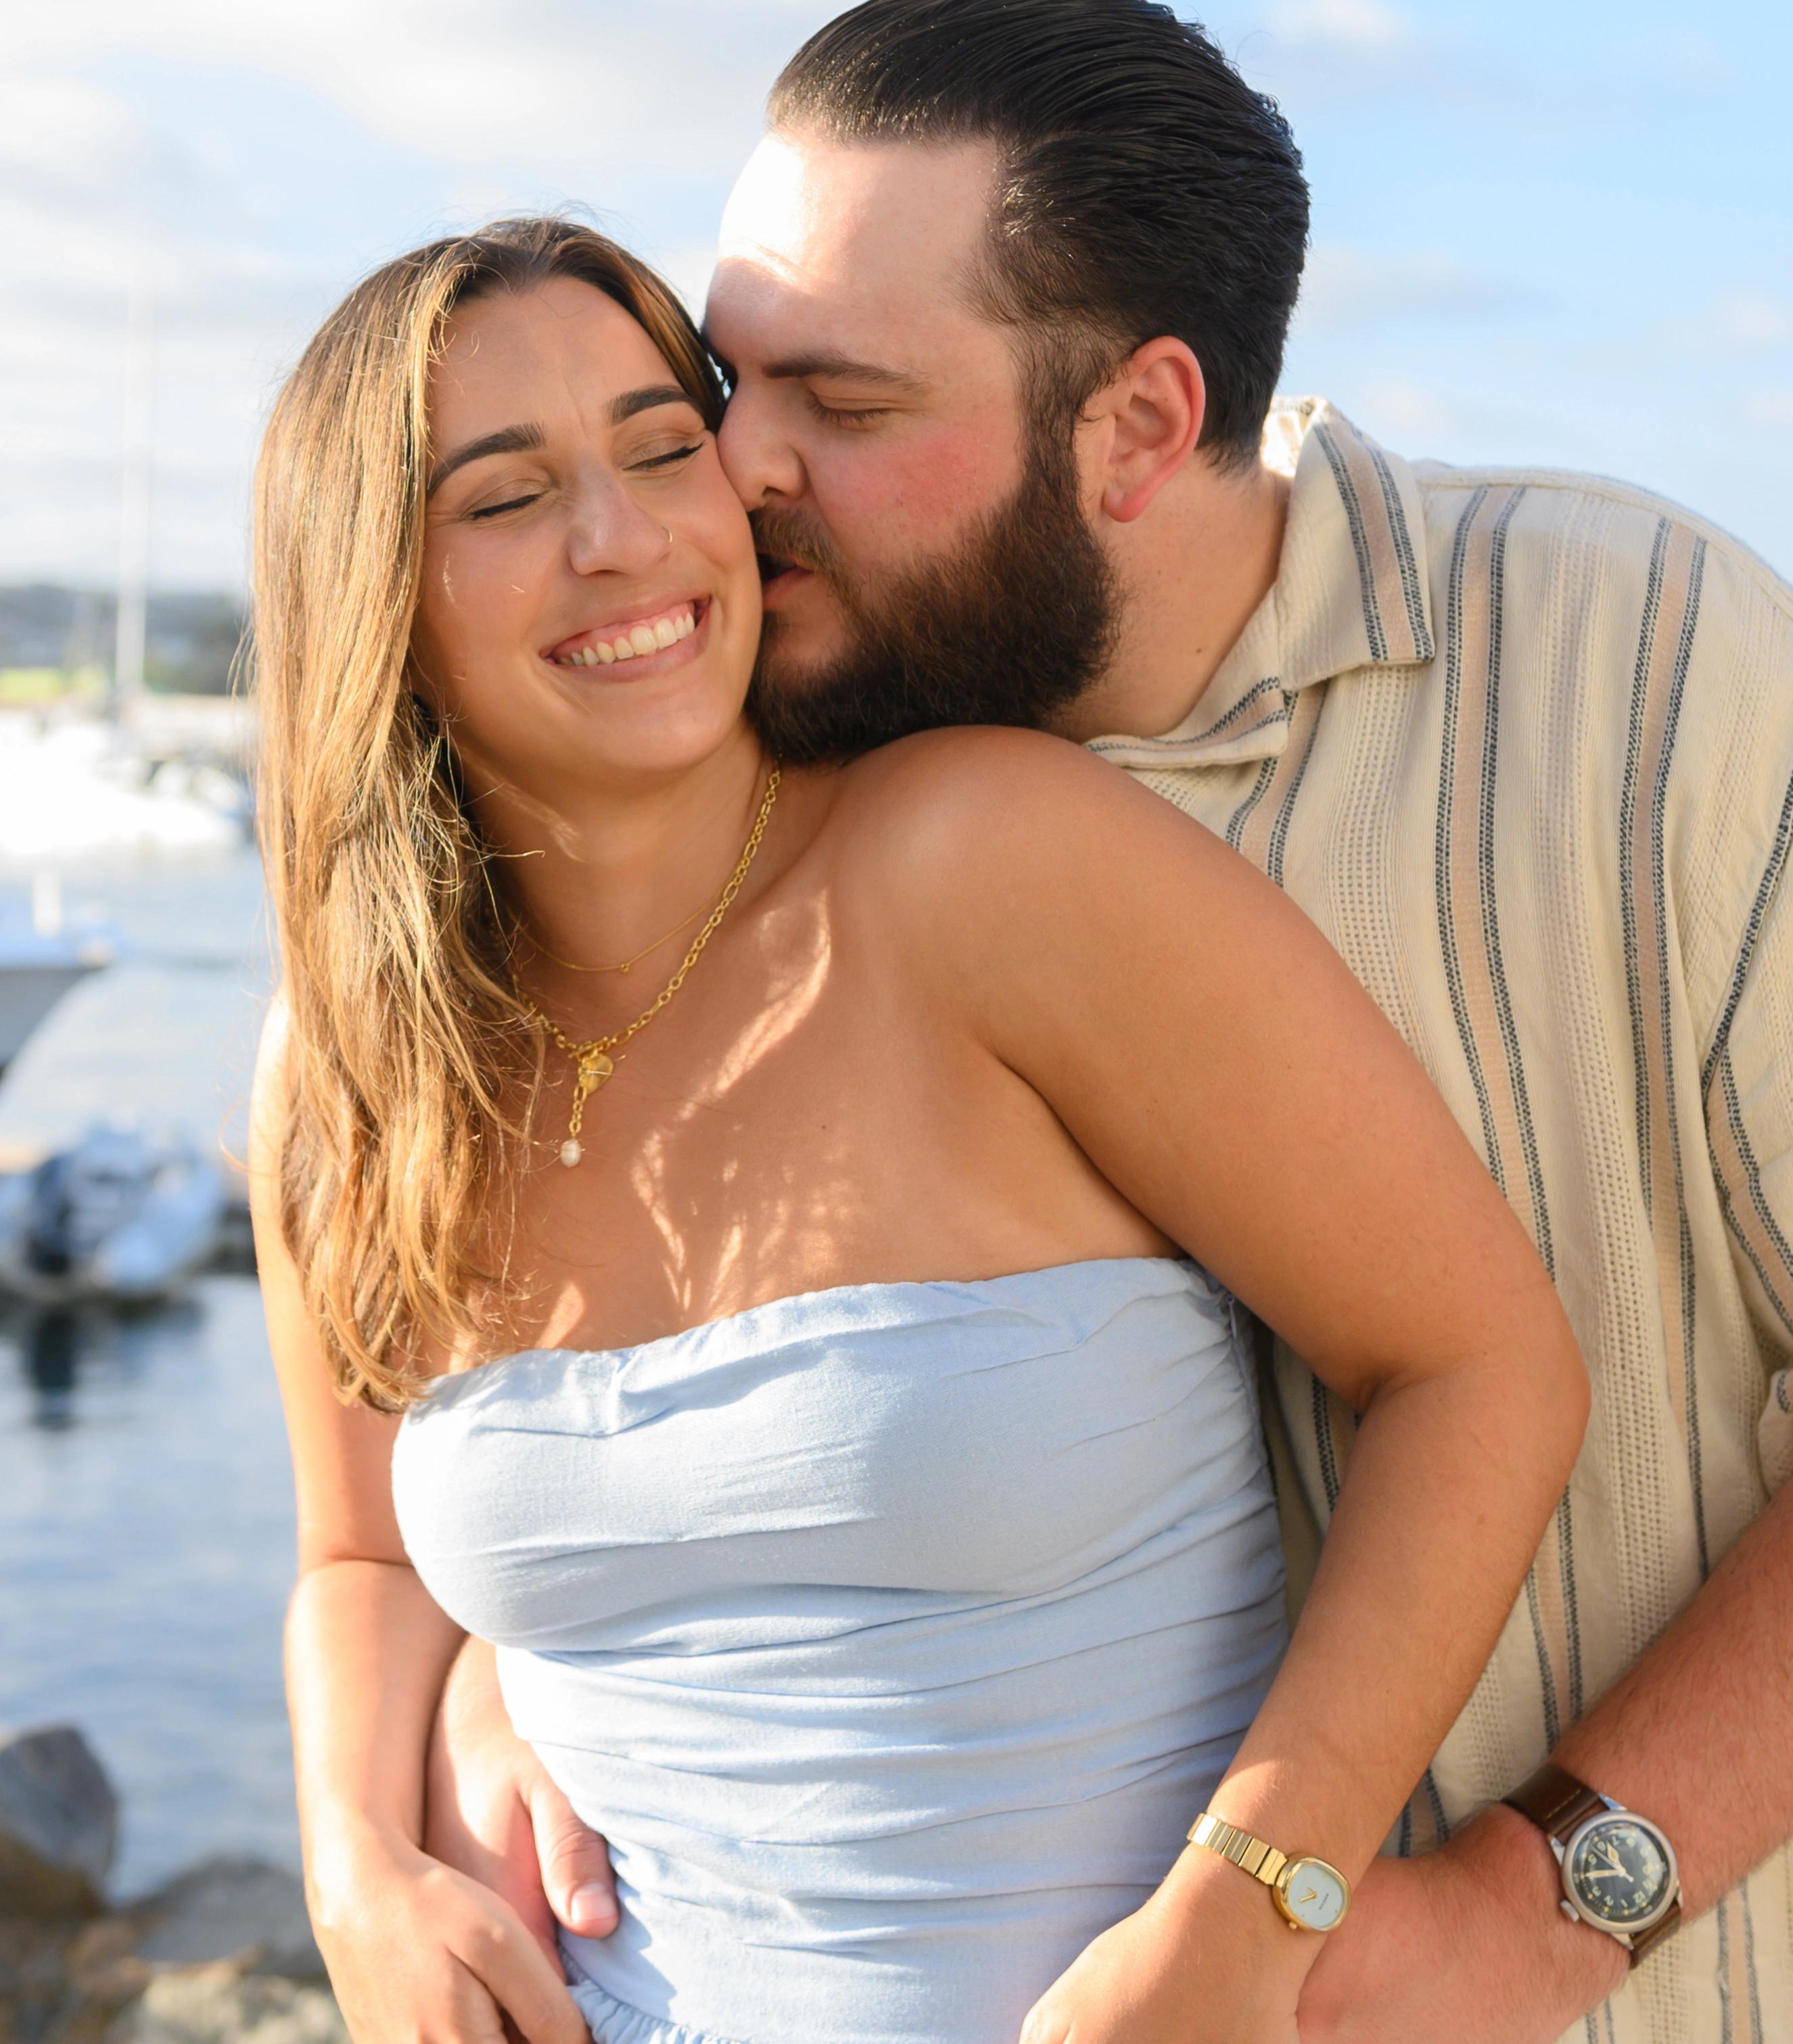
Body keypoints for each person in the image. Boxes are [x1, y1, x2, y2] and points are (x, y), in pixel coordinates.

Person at [433, 0, 1793, 2044]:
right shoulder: (763, 782)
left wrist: (1544, 1903)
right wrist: (520, 1688)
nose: (734, 473)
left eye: (850, 408)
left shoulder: (1639, 669)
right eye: (732, 377)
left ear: (1140, 427)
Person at [248, 215, 1583, 2044]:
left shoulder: (984, 863)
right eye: (503, 496)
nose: (620, 537)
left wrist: (1255, 1902)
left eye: (660, 445)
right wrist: (353, 1870)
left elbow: (1474, 1366)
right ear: (370, 593)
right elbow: (363, 1560)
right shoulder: (358, 1065)